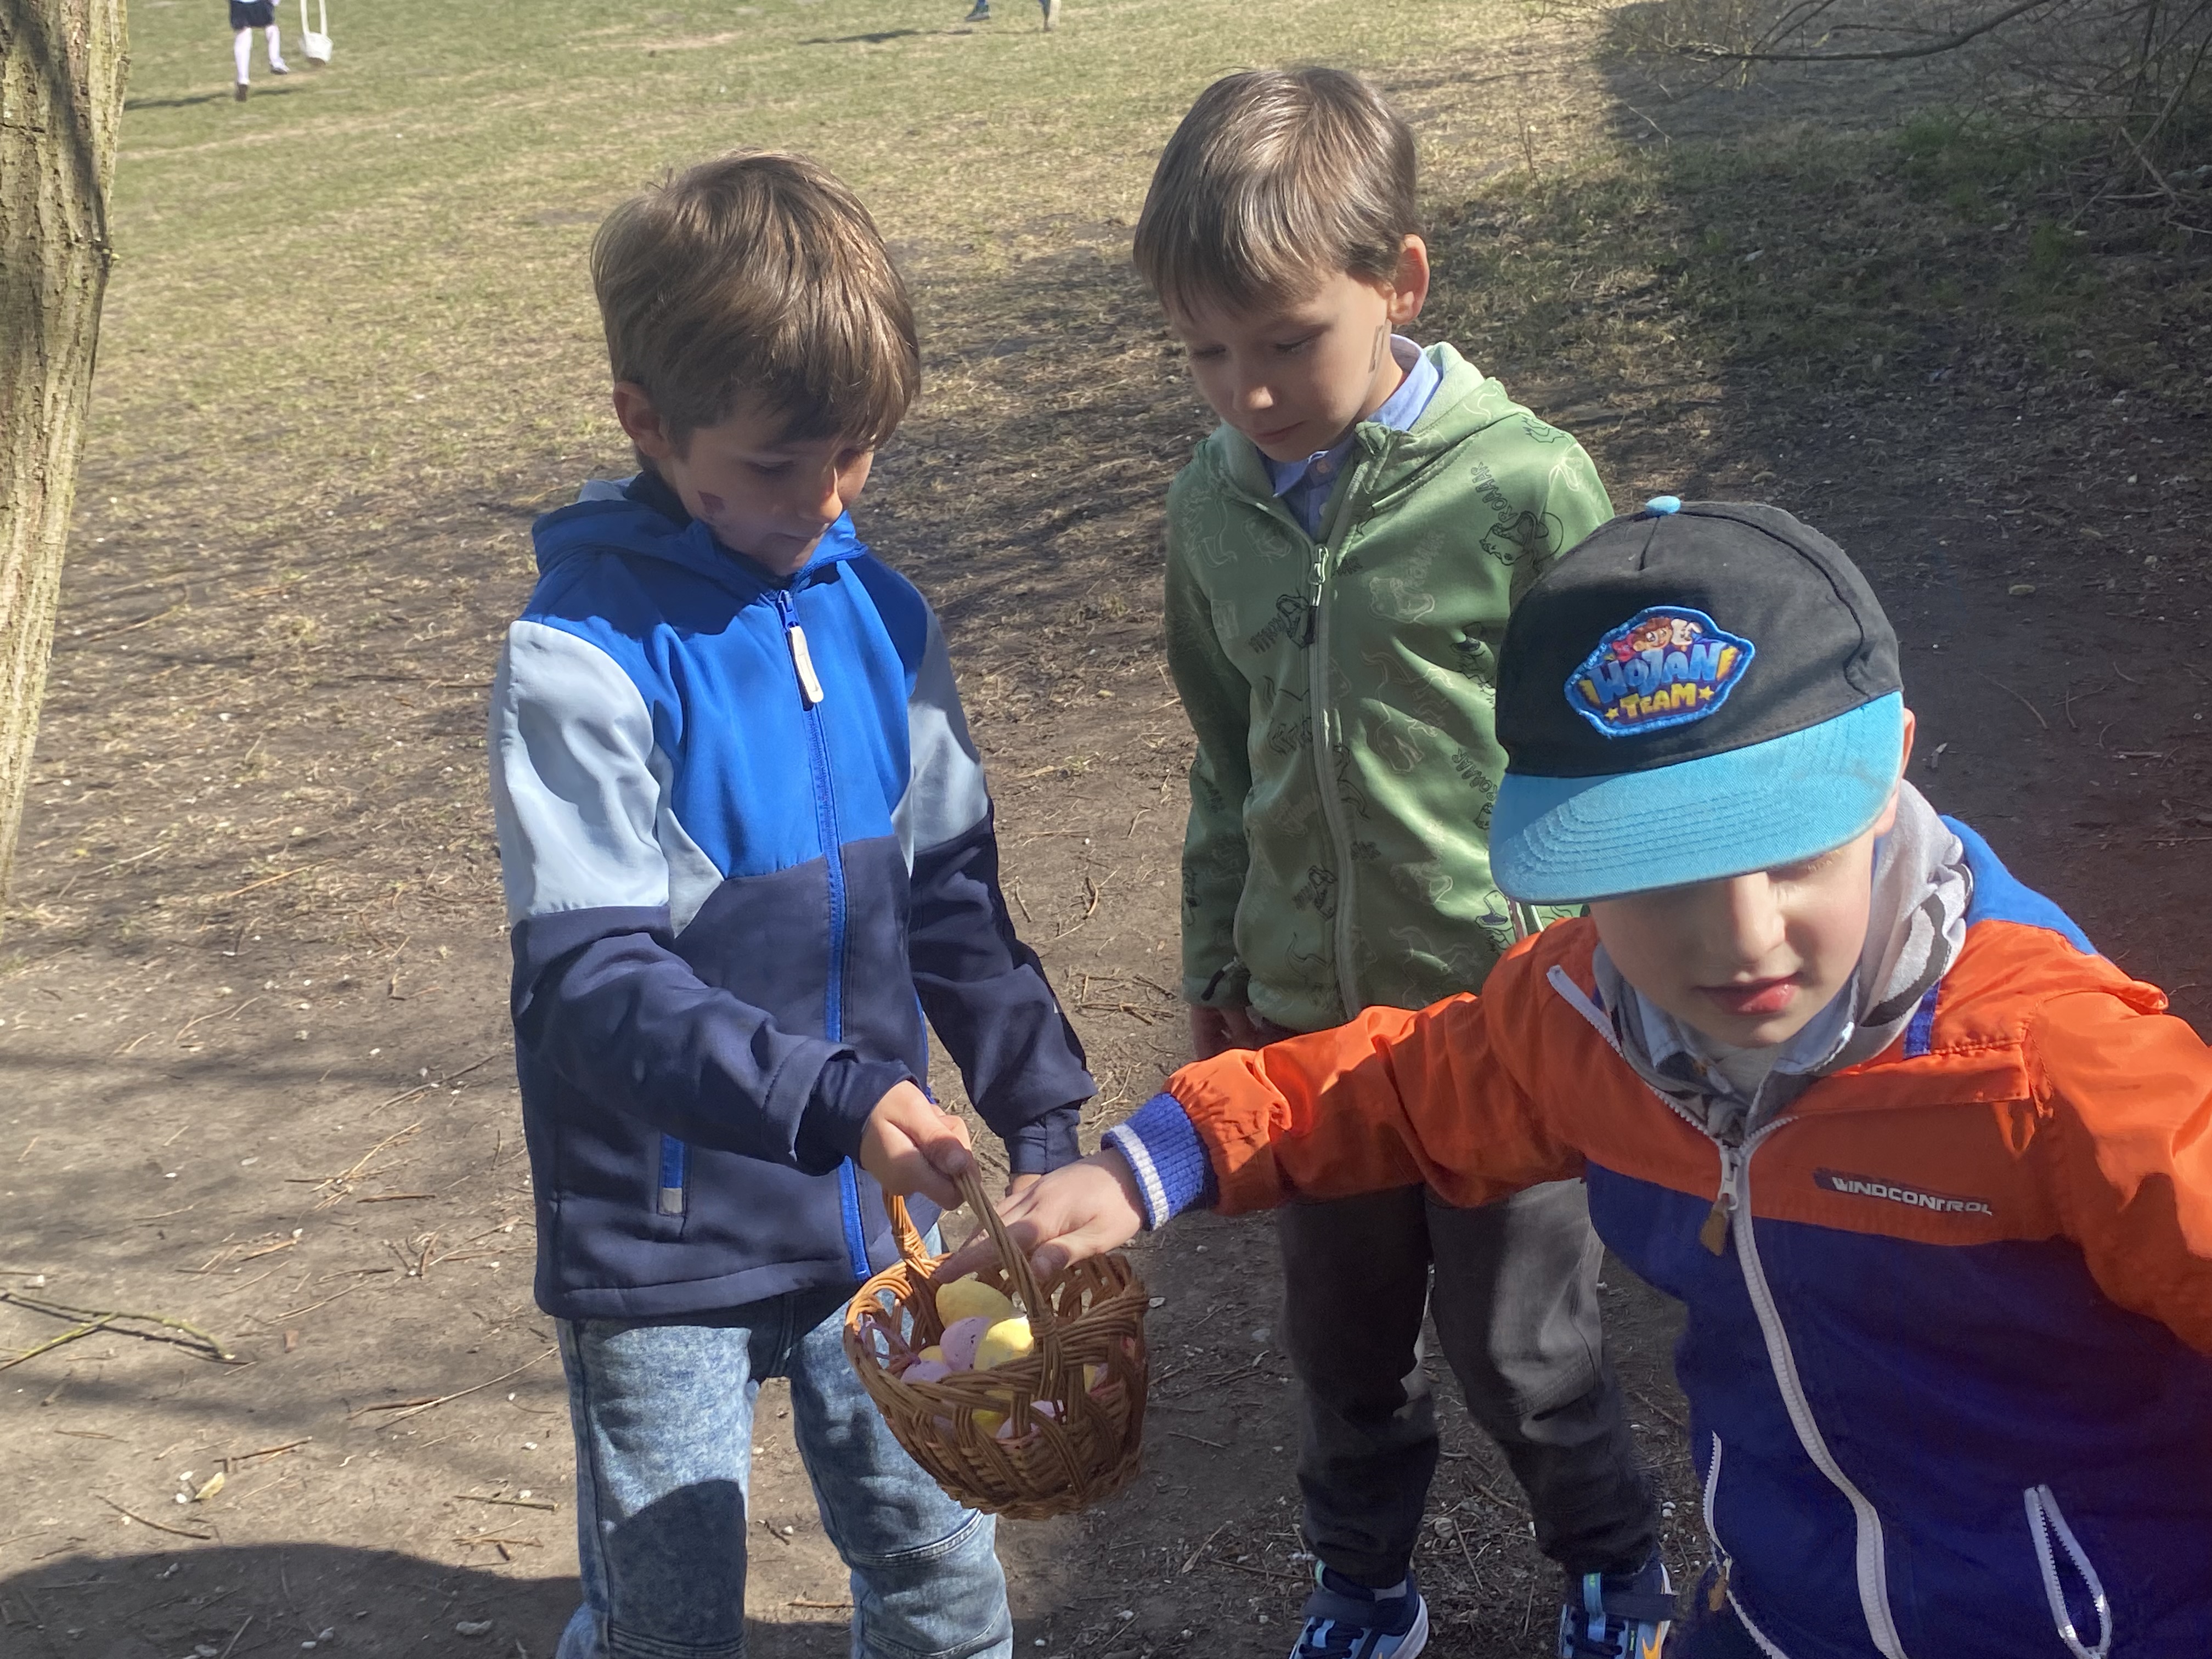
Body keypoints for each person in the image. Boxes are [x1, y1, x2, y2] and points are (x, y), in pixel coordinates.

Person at [949, 499, 2212, 1657]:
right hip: (1779, 1611)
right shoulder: (1592, 1021)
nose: (1741, 939)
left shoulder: (2049, 1073)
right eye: (1659, 881)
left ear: (1890, 773)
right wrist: (1153, 1164)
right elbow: (1403, 1082)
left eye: (1788, 856)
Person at [488, 151, 1094, 1659]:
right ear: (648, 420)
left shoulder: (885, 618)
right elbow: (588, 983)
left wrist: (1042, 1114)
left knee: (940, 1574)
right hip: (662, 1248)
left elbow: (956, 903)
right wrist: (831, 1095)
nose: (824, 502)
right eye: (775, 466)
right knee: (671, 1616)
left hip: (879, 1227)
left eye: (857, 454)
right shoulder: (581, 656)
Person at [1131, 66, 1661, 1659]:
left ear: (1400, 282)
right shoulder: (1210, 509)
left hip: (1505, 1020)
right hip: (1311, 1027)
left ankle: (1613, 1566)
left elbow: (1612, 746)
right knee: (1343, 1350)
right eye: (1208, 354)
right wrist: (1220, 953)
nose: (1250, 394)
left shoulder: (1524, 486)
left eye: (1287, 341)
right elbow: (1225, 751)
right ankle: (1363, 1582)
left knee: (1524, 1349)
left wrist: (1616, 966)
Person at [229, 0, 287, 101]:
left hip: (239, 4)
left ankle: (243, 80)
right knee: (271, 28)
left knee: (242, 36)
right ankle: (276, 62)